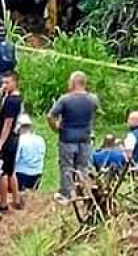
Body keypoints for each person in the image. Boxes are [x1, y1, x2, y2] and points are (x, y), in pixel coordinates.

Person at [48, 71, 99, 203]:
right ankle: (83, 193)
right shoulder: (92, 99)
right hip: (85, 138)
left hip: (67, 138)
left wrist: (56, 127)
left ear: (73, 82)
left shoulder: (65, 99)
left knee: (67, 167)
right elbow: (93, 117)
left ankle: (67, 194)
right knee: (83, 167)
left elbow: (51, 116)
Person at [0, 71, 23, 212]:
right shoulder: (14, 98)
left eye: (7, 82)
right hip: (14, 138)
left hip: (7, 140)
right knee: (11, 171)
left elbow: (7, 125)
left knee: (2, 172)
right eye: (3, 82)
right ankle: (16, 199)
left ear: (15, 83)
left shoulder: (11, 101)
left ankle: (3, 203)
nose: (4, 85)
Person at [14, 115, 45, 192]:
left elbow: (15, 160)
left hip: (22, 175)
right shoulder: (40, 139)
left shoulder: (20, 140)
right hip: (37, 174)